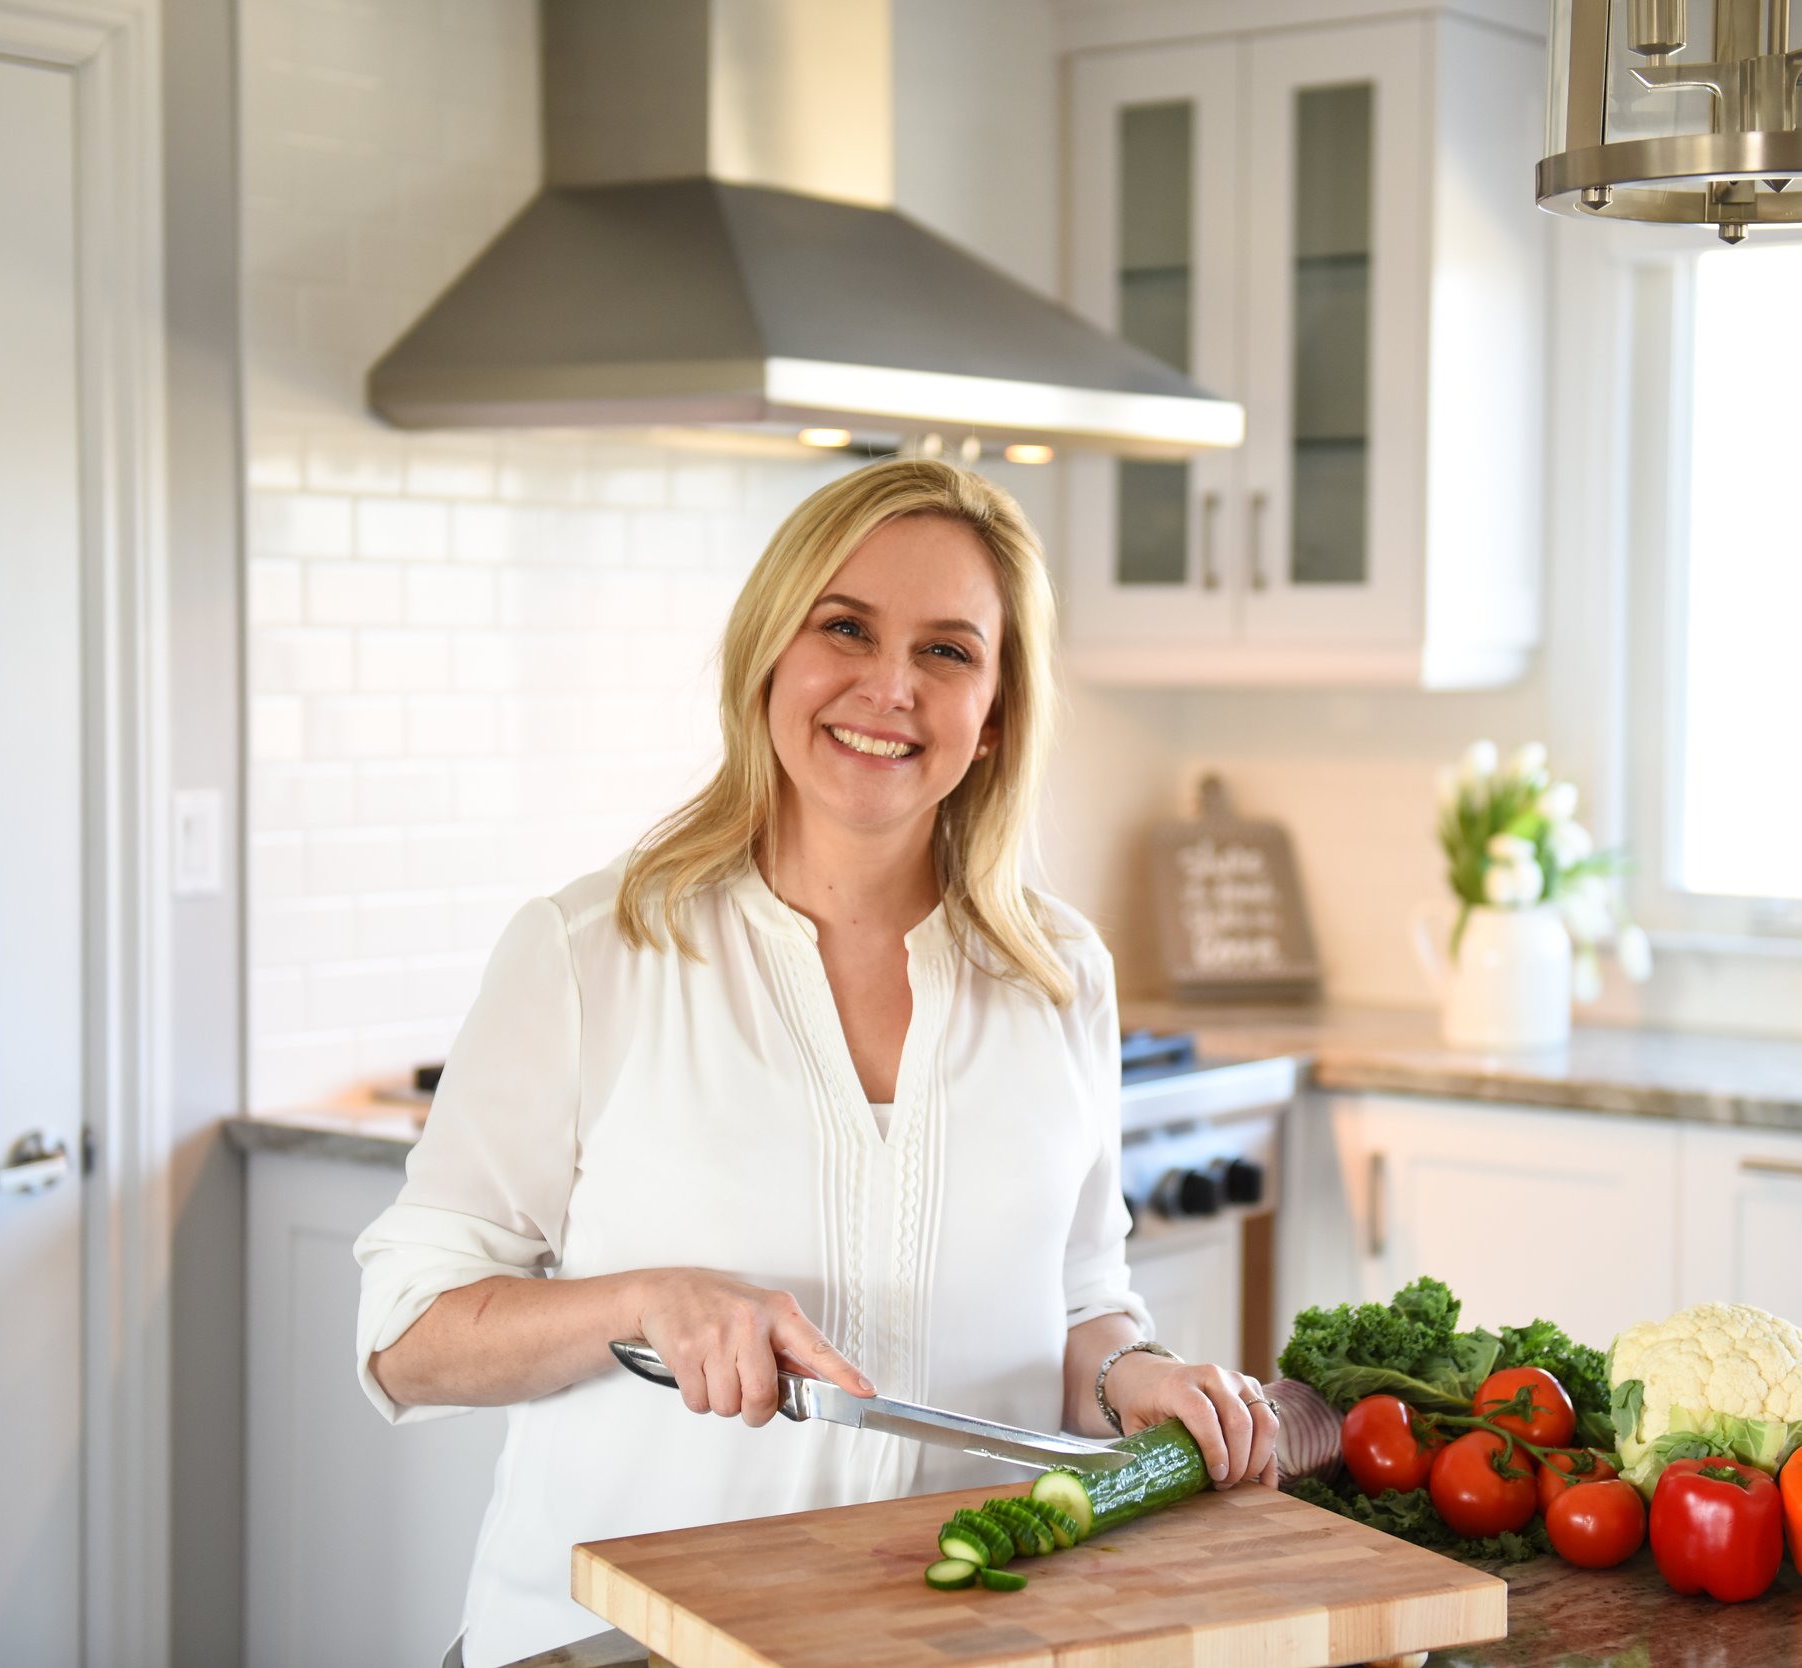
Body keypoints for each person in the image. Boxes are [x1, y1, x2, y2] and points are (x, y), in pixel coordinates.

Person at [355, 458, 1279, 1668]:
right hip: (614, 1645)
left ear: (994, 712)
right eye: (845, 627)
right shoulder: (593, 951)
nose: (889, 688)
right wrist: (646, 1303)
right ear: (771, 657)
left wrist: (1132, 1379)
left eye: (948, 652)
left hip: (946, 1641)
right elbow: (407, 1334)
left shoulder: (1058, 973)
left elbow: (1075, 1303)